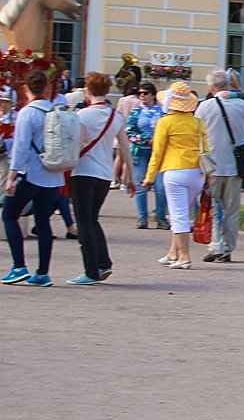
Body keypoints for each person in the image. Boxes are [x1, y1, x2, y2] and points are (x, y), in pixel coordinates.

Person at [66, 72, 137, 285]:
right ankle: (103, 263)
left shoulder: (81, 116)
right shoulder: (116, 117)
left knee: (84, 222)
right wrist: (130, 177)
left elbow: (77, 146)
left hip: (83, 172)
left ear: (88, 91)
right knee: (93, 219)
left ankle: (91, 270)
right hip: (104, 175)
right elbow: (125, 149)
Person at [1, 70, 65, 286]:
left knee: (9, 214)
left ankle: (19, 266)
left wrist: (11, 177)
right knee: (43, 222)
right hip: (53, 174)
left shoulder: (28, 113)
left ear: (25, 88)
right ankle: (42, 272)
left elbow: (20, 147)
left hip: (32, 173)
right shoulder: (55, 110)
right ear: (46, 87)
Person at [144, 81, 209, 269]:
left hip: (175, 171)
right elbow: (207, 149)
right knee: (180, 213)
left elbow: (157, 153)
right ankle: (173, 253)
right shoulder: (197, 123)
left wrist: (149, 178)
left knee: (178, 215)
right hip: (197, 172)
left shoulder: (165, 122)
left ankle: (185, 257)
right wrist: (209, 178)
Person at [194, 69, 244, 263]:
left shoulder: (204, 107)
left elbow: (197, 134)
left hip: (211, 164)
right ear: (229, 85)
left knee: (211, 206)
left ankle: (215, 245)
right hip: (235, 164)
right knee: (231, 210)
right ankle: (228, 248)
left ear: (212, 88)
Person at [126, 81, 169, 229]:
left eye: (145, 93)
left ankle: (161, 216)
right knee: (141, 184)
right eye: (140, 93)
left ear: (153, 95)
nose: (142, 96)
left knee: (160, 186)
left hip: (159, 152)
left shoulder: (162, 112)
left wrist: (158, 140)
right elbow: (129, 131)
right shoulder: (136, 112)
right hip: (141, 151)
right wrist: (145, 139)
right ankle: (142, 216)